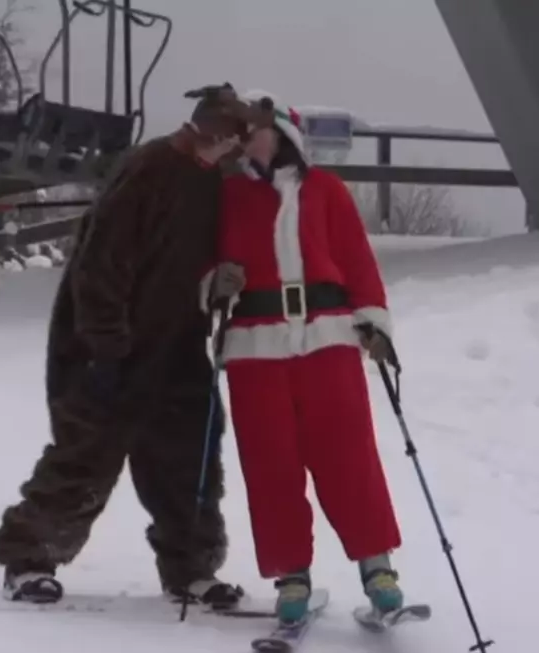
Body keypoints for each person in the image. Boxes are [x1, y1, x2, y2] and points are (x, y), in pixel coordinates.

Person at [0, 84, 259, 609]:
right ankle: (28, 558)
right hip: (108, 343)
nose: (237, 151)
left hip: (178, 342)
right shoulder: (150, 168)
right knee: (85, 455)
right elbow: (101, 262)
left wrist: (216, 279)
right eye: (234, 138)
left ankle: (191, 568)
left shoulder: (211, 181)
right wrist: (105, 344)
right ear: (214, 132)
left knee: (189, 460)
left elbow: (193, 255)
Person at [201, 91, 405, 623]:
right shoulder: (226, 196)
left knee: (348, 455)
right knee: (271, 464)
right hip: (254, 347)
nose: (249, 138)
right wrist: (213, 284)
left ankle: (376, 565)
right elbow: (204, 265)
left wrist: (373, 321)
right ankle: (292, 575)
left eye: (258, 128)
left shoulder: (327, 191)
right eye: (242, 131)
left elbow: (357, 261)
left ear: (284, 134)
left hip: (328, 341)